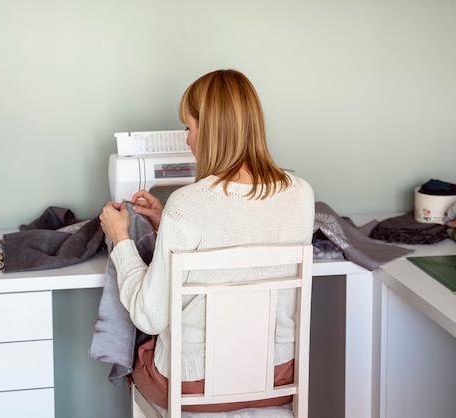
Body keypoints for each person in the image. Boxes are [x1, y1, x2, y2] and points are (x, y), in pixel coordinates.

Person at [99, 69, 315, 412]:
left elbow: (149, 316)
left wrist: (121, 238)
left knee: (138, 350)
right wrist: (163, 221)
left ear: (211, 130)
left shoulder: (188, 203)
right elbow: (240, 234)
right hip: (275, 378)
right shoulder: (301, 193)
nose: (187, 140)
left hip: (193, 382)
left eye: (189, 127)